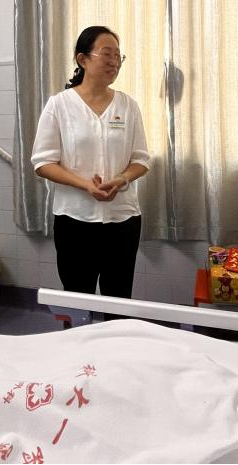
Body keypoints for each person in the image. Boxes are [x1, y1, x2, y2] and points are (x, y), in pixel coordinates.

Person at [31, 26, 150, 298]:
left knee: (118, 296)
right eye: (107, 54)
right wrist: (85, 185)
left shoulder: (128, 106)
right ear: (82, 59)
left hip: (123, 220)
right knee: (77, 295)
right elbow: (43, 162)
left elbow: (141, 160)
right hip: (75, 221)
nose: (114, 62)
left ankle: (115, 329)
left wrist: (121, 179)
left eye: (118, 56)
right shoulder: (59, 105)